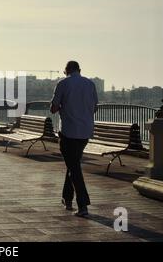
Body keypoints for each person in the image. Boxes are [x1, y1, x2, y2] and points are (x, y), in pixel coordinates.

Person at [50, 61, 98, 217]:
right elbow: (95, 107)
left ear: (66, 71)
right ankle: (67, 198)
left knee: (74, 168)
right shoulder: (90, 84)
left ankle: (83, 205)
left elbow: (53, 108)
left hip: (69, 132)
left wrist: (65, 107)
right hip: (85, 132)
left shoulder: (63, 84)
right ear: (79, 70)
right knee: (73, 165)